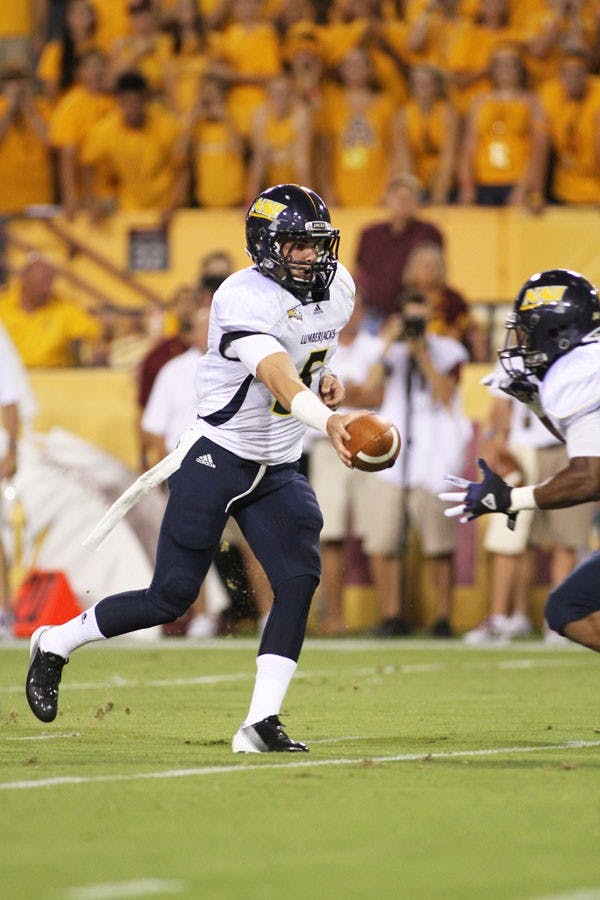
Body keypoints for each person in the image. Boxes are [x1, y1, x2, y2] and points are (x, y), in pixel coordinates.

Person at [26, 183, 365, 754]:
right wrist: (327, 420)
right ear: (265, 247)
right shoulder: (240, 296)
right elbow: (279, 375)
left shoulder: (338, 288)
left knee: (299, 578)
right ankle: (56, 641)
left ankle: (260, 723)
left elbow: (311, 355)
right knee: (171, 596)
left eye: (316, 243)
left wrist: (330, 381)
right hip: (219, 456)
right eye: (298, 245)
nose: (312, 257)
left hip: (277, 461)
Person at [440, 268, 600, 653]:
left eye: (528, 330)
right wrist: (534, 402)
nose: (522, 341)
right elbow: (587, 444)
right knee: (567, 607)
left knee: (568, 607)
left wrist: (513, 499)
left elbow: (590, 476)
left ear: (556, 329)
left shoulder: (579, 370)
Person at [352, 290, 472, 636]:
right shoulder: (388, 351)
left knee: (439, 543)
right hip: (393, 450)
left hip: (434, 452)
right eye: (410, 321)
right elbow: (369, 387)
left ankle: (443, 618)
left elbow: (445, 395)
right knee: (384, 540)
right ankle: (391, 615)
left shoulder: (449, 351)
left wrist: (422, 356)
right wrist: (389, 343)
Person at [464, 392, 595, 644]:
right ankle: (503, 617)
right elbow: (501, 399)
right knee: (509, 538)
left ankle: (557, 623)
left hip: (572, 446)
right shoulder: (514, 352)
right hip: (521, 446)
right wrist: (496, 441)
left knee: (565, 538)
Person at [458, 42, 548, 212]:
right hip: (483, 181)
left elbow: (538, 150)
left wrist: (526, 188)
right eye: (499, 65)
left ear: (520, 68)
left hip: (517, 181)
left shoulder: (532, 102)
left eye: (510, 64)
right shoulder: (479, 101)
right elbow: (469, 146)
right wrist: (467, 185)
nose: (505, 70)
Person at [354, 173, 444, 333]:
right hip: (373, 312)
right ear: (387, 199)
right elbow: (358, 273)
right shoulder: (369, 235)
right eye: (398, 197)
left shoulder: (429, 233)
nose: (403, 203)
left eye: (409, 198)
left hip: (413, 311)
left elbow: (436, 274)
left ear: (418, 202)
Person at [0, 255, 103, 367]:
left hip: (52, 378)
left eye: (50, 281)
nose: (47, 287)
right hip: (7, 377)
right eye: (42, 280)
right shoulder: (3, 305)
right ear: (24, 278)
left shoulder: (64, 309)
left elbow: (97, 331)